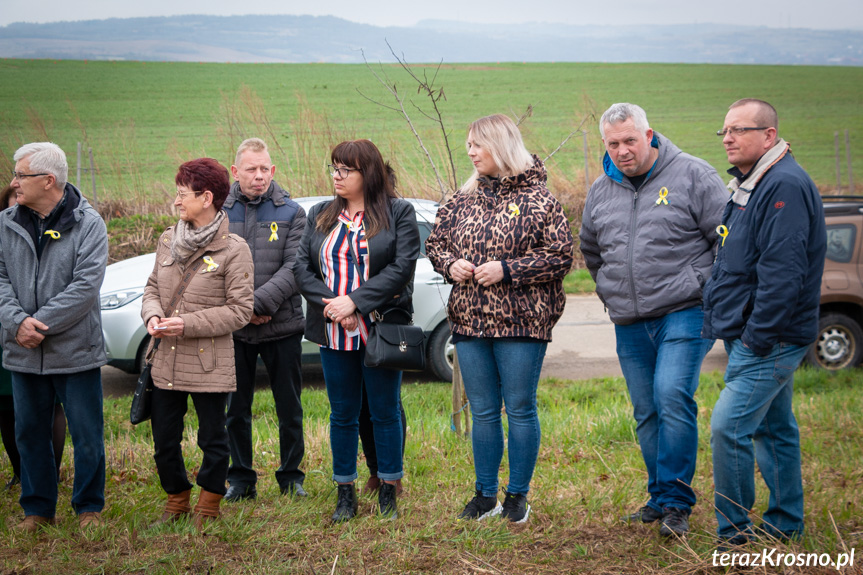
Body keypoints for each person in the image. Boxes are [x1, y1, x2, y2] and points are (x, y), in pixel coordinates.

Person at [579, 103, 728, 536]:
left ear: (649, 135)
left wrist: (707, 289)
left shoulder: (694, 175)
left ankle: (678, 503)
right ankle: (660, 496)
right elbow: (591, 250)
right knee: (646, 410)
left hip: (685, 310)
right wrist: (609, 288)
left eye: (630, 140)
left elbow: (726, 239)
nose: (623, 150)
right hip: (629, 319)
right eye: (613, 143)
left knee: (670, 394)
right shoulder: (600, 190)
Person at [426, 114, 574, 524]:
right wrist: (450, 264)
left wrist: (508, 270)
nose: (470, 151)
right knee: (485, 411)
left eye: (478, 144)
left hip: (523, 323)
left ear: (501, 146)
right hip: (470, 320)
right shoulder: (461, 198)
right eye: (468, 144)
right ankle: (485, 495)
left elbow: (561, 256)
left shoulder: (539, 200)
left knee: (520, 408)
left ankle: (517, 498)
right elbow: (436, 243)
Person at [704, 99, 826, 545]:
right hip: (750, 332)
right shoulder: (754, 183)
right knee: (775, 428)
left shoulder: (784, 186)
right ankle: (785, 523)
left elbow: (783, 274)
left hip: (768, 338)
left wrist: (755, 337)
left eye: (738, 129)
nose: (728, 139)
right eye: (724, 131)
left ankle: (735, 533)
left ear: (769, 136)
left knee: (728, 426)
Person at [295, 139, 419, 522]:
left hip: (380, 331)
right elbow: (302, 268)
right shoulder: (320, 214)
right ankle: (344, 493)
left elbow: (402, 268)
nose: (337, 175)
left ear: (368, 173)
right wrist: (336, 306)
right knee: (343, 414)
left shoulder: (398, 212)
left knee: (384, 412)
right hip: (334, 332)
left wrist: (357, 303)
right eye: (334, 167)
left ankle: (388, 490)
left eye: (345, 169)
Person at [0, 142, 108, 532]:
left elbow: (85, 286)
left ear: (48, 181)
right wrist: (17, 323)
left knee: (86, 434)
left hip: (74, 350)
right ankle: (37, 509)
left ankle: (89, 508)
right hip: (22, 351)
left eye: (20, 175)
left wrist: (37, 324)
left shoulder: (89, 223)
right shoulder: (7, 222)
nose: (13, 182)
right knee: (28, 432)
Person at [141, 158, 254, 529]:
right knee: (164, 440)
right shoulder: (166, 240)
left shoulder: (235, 250)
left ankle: (207, 505)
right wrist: (153, 316)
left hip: (209, 361)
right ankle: (176, 500)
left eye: (182, 194)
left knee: (212, 438)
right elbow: (152, 288)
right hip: (165, 358)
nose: (176, 201)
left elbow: (240, 311)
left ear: (207, 198)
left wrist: (185, 324)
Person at [221, 138, 307, 501]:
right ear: (235, 171)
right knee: (235, 409)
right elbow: (211, 268)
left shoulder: (293, 214)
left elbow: (295, 267)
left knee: (289, 407)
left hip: (282, 325)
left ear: (273, 171)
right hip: (234, 331)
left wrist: (256, 304)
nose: (259, 176)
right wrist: (242, 310)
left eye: (264, 169)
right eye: (251, 169)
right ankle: (240, 479)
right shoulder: (218, 214)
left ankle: (291, 477)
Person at [0, 184, 67, 492]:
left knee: (49, 405)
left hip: (42, 326)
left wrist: (35, 321)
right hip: (7, 328)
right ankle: (22, 473)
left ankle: (48, 474)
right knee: (8, 408)